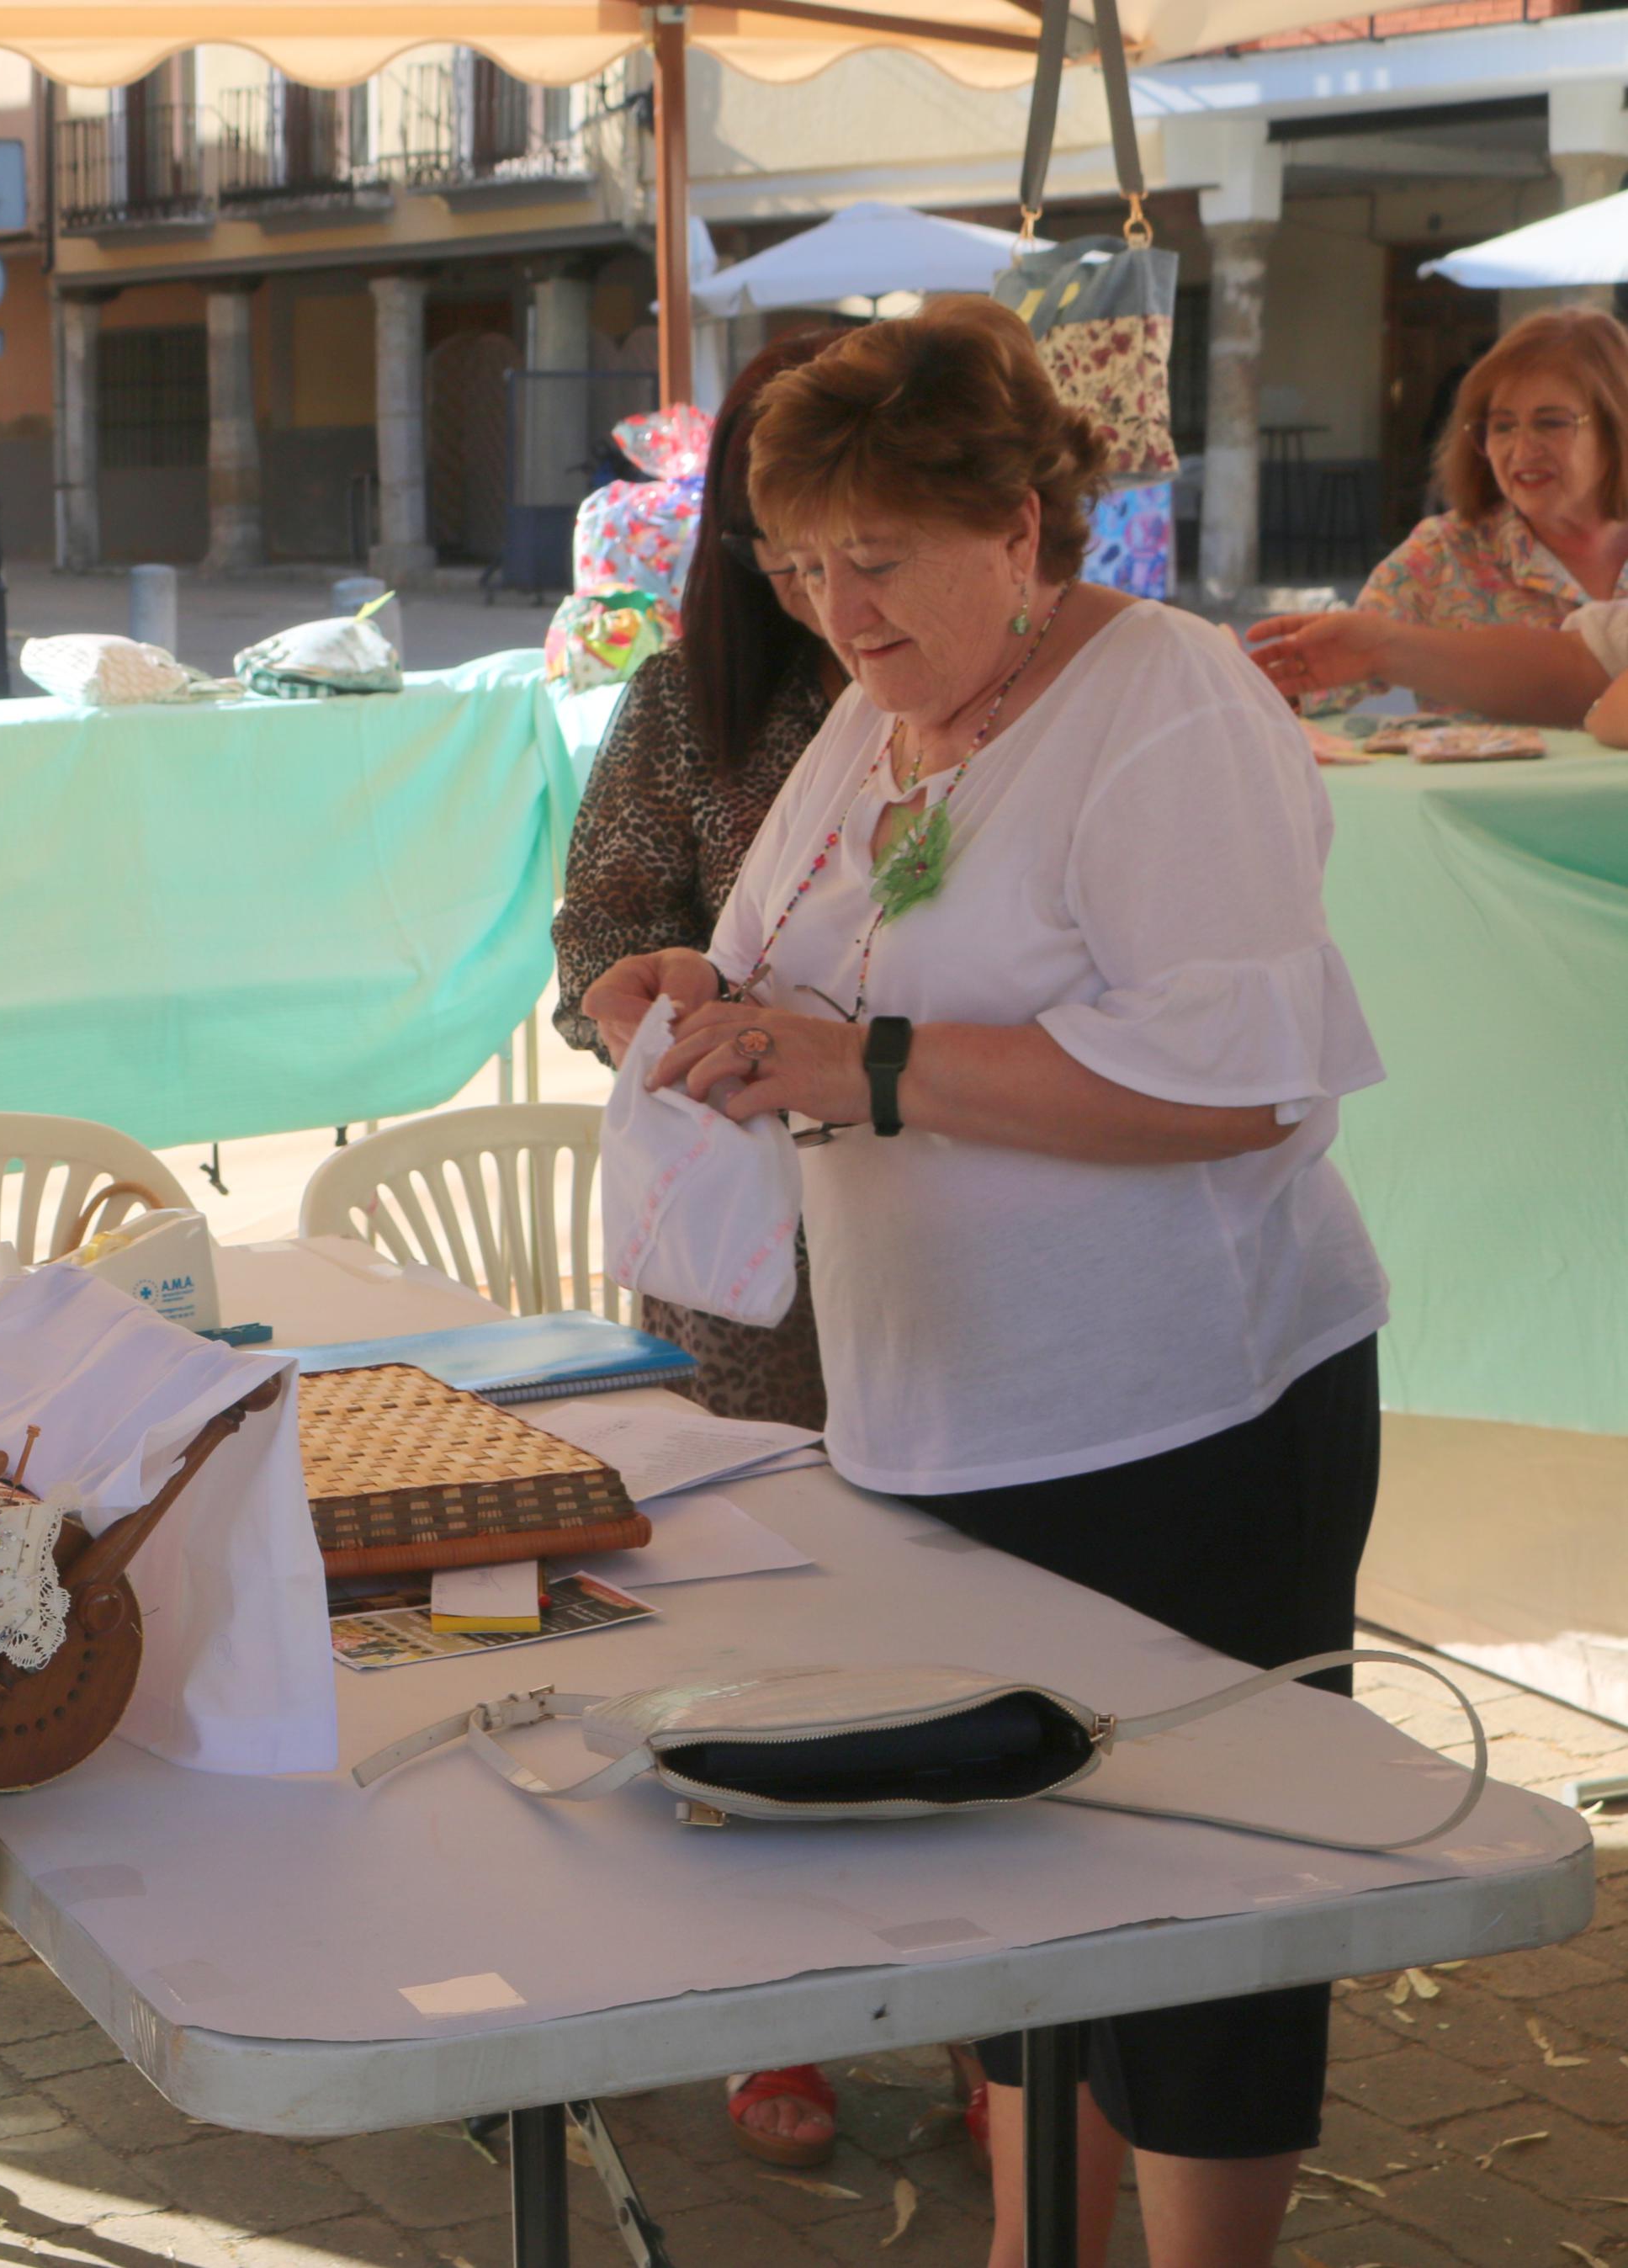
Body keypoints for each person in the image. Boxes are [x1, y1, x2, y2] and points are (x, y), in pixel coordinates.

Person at [583, 296, 1388, 2268]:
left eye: (875, 562)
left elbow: (1232, 1080)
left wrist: (864, 1068)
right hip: (940, 1412)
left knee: (1201, 1904)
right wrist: (686, 993)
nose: (833, 612)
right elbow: (802, 964)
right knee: (1018, 1895)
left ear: (1019, 527)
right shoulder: (879, 712)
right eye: (794, 564)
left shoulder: (1167, 703)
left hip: (1179, 1418)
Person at [551, 330, 853, 2175]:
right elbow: (597, 917)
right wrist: (637, 997)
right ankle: (779, 1991)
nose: (827, 570)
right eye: (786, 520)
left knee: (944, 1583)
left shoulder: (1002, 697)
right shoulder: (683, 702)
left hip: (954, 1219)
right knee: (765, 1604)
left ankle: (985, 1987)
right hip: (743, 1244)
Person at [1244, 305, 1628, 718]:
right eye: (1501, 426)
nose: (1521, 450)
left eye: (1550, 423)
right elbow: (1333, 671)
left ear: (1616, 425)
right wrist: (1257, 683)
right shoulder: (1442, 555)